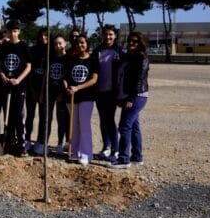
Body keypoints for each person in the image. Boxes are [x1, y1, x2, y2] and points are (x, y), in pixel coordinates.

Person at [109, 31, 150, 169]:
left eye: (135, 41)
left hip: (137, 96)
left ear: (140, 43)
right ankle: (137, 157)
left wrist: (131, 98)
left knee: (124, 126)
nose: (131, 43)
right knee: (134, 126)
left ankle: (123, 159)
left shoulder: (141, 57)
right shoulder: (130, 56)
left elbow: (139, 79)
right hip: (133, 95)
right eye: (130, 41)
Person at [63, 35, 100, 166]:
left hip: (86, 97)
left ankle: (86, 153)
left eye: (82, 43)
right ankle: (75, 151)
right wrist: (67, 87)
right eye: (78, 43)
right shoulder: (71, 59)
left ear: (87, 44)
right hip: (72, 96)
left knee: (84, 124)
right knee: (74, 125)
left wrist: (78, 87)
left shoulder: (93, 60)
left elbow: (94, 79)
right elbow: (65, 76)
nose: (80, 45)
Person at [0, 21, 31, 155]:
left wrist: (18, 79)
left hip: (19, 86)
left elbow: (28, 66)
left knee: (18, 115)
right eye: (10, 31)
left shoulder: (23, 46)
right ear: (7, 32)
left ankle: (22, 145)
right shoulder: (4, 46)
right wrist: (3, 76)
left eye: (15, 31)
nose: (13, 33)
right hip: (6, 85)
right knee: (8, 116)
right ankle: (8, 143)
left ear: (19, 32)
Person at [92, 24, 125, 160]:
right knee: (102, 119)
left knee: (110, 120)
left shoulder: (120, 51)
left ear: (115, 36)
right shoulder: (97, 51)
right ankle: (106, 146)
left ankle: (115, 149)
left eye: (110, 34)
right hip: (100, 92)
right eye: (105, 34)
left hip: (112, 92)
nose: (108, 37)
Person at [36, 35, 70, 155]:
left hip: (62, 93)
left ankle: (60, 143)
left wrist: (62, 93)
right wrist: (41, 93)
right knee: (46, 119)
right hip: (49, 91)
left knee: (62, 120)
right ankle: (43, 142)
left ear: (65, 43)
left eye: (60, 43)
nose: (58, 46)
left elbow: (68, 77)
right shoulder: (50, 58)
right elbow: (45, 75)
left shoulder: (68, 58)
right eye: (55, 44)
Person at [25, 28, 48, 153]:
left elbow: (48, 73)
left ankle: (40, 141)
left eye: (46, 36)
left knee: (44, 117)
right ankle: (27, 139)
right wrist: (33, 90)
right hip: (31, 88)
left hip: (44, 89)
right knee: (30, 115)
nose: (43, 38)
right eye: (41, 36)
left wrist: (42, 92)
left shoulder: (51, 51)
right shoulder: (33, 50)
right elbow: (29, 70)